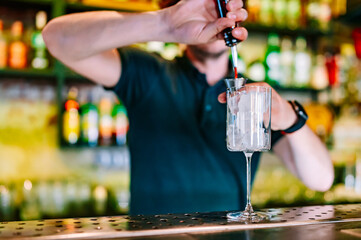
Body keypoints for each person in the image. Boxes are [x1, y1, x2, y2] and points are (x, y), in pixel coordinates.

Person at [42, 0, 334, 215]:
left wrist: (289, 117)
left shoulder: (252, 97)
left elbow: (321, 179)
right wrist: (164, 24)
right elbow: (56, 39)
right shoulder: (147, 74)